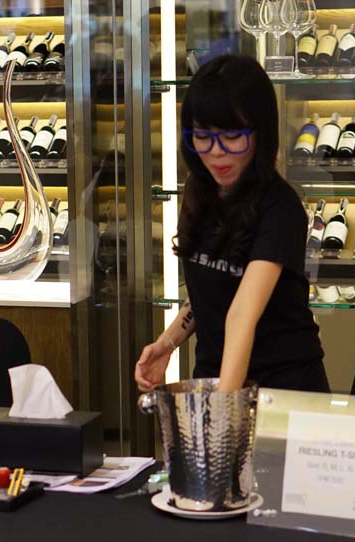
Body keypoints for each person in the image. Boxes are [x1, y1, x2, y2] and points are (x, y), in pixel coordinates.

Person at [135, 54, 329, 394]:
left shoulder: (280, 208)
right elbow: (212, 291)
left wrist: (223, 407)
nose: (216, 152)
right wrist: (168, 342)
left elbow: (242, 312)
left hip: (282, 390)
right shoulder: (201, 193)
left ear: (260, 133)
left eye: (232, 136)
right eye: (203, 136)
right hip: (216, 379)